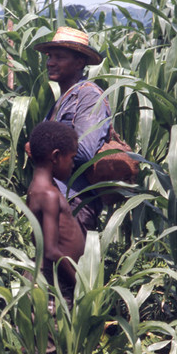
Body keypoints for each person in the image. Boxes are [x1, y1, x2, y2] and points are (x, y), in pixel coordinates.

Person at [8, 121, 86, 354]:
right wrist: (80, 281)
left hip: (37, 281)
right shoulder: (51, 195)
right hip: (54, 283)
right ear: (56, 157)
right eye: (70, 158)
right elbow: (53, 250)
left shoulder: (36, 187)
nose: (72, 164)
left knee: (28, 350)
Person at [33, 26, 112, 234]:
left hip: (75, 203)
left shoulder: (89, 97)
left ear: (79, 62)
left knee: (65, 265)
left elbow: (84, 150)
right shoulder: (62, 100)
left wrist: (41, 149)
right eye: (50, 56)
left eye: (59, 57)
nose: (50, 62)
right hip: (55, 202)